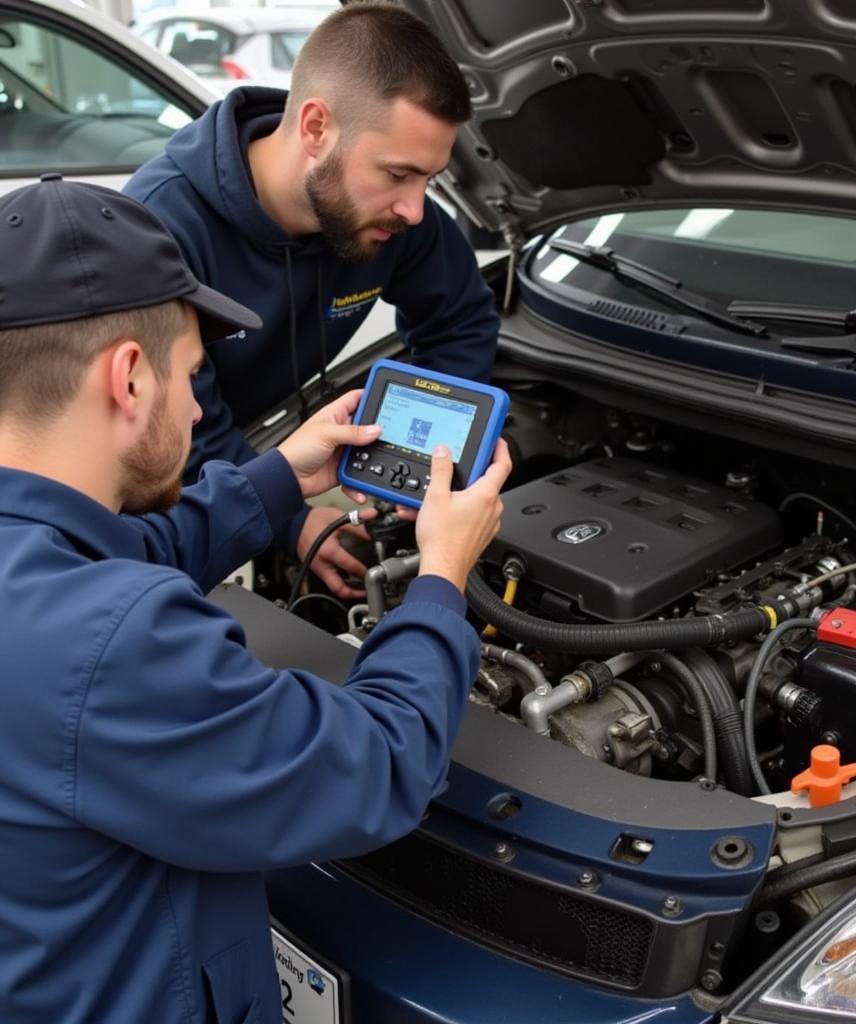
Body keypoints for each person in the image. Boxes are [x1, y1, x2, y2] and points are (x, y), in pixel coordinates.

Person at [0, 176, 510, 1023]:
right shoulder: (110, 642)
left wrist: (278, 479)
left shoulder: (43, 571)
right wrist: (440, 580)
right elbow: (372, 766)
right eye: (194, 375)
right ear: (128, 379)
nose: (200, 401)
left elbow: (101, 554)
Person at [125, 0, 501, 601]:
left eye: (429, 179)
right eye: (399, 174)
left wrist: (425, 464)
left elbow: (459, 320)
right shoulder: (161, 226)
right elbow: (170, 425)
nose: (414, 208)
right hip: (170, 481)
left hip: (289, 453)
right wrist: (288, 523)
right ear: (316, 127)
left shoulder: (397, 218)